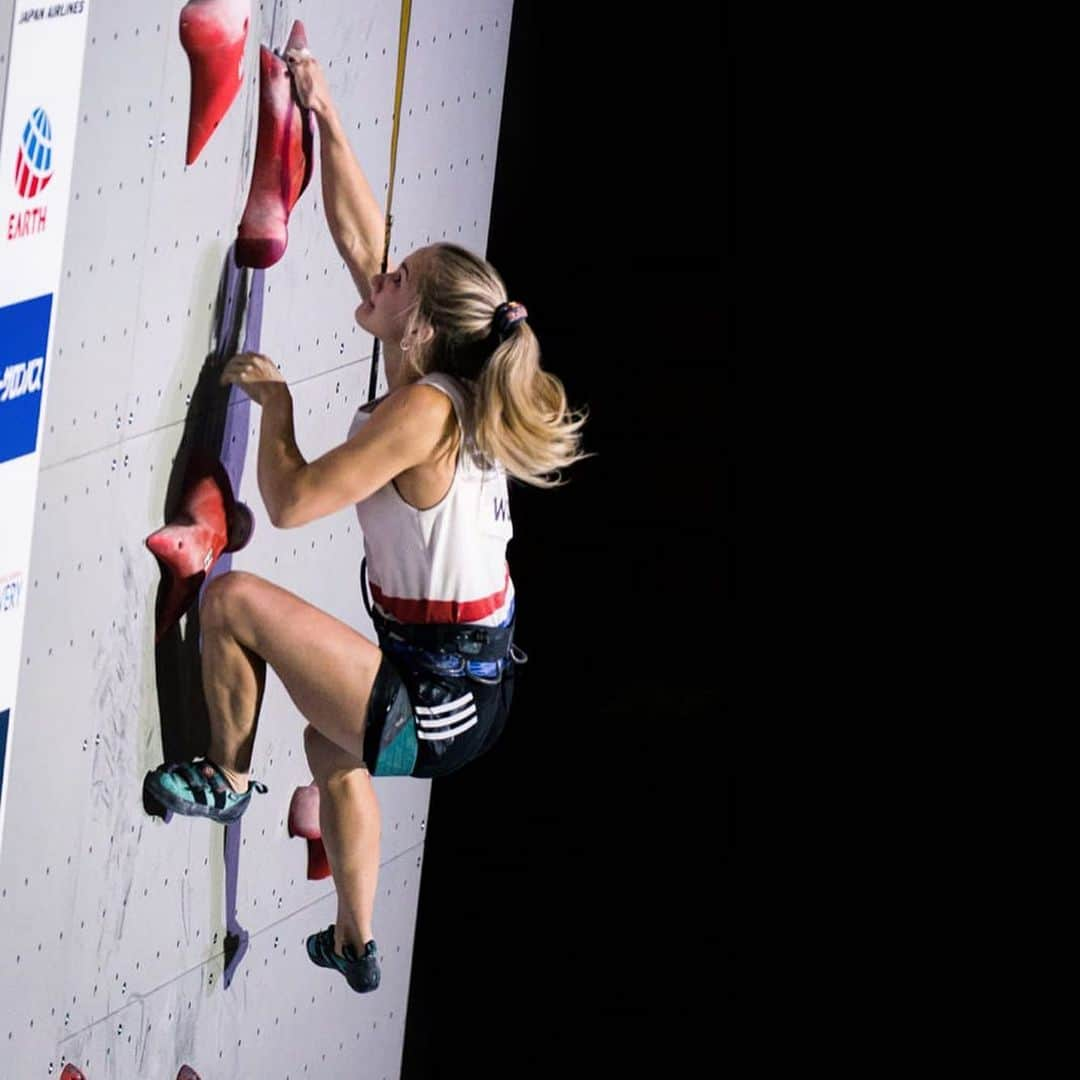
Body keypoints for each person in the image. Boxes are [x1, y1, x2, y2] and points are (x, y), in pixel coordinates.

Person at [142, 44, 590, 994]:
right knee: (325, 741)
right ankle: (354, 936)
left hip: (442, 697)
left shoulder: (423, 412)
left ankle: (223, 783)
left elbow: (294, 502)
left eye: (397, 285)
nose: (376, 278)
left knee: (233, 606)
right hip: (466, 690)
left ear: (420, 327)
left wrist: (280, 414)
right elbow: (363, 240)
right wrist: (325, 112)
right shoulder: (441, 377)